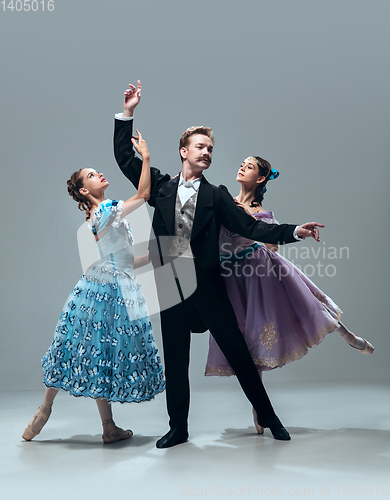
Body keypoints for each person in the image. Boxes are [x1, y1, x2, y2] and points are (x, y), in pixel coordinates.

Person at [114, 80, 324, 447]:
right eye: (200, 146)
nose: (207, 152)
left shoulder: (217, 194)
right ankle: (178, 428)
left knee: (237, 351)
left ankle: (271, 418)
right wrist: (127, 113)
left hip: (207, 281)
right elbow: (125, 159)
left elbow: (250, 225)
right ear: (183, 151)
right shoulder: (159, 186)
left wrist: (295, 232)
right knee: (176, 359)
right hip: (168, 281)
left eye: (211, 148)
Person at [205, 155, 374, 433]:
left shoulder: (259, 209)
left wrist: (247, 219)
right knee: (247, 338)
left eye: (249, 166)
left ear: (260, 179)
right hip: (231, 278)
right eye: (243, 163)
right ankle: (260, 409)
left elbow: (273, 244)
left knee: (310, 305)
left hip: (261, 274)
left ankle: (349, 336)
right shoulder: (225, 200)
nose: (242, 167)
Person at [22, 131, 165, 444]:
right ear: (85, 190)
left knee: (90, 350)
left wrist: (156, 257)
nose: (99, 173)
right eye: (91, 174)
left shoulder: (102, 216)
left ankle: (95, 423)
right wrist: (147, 159)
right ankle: (59, 412)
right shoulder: (105, 210)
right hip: (108, 291)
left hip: (101, 287)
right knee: (95, 350)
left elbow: (126, 262)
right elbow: (142, 195)